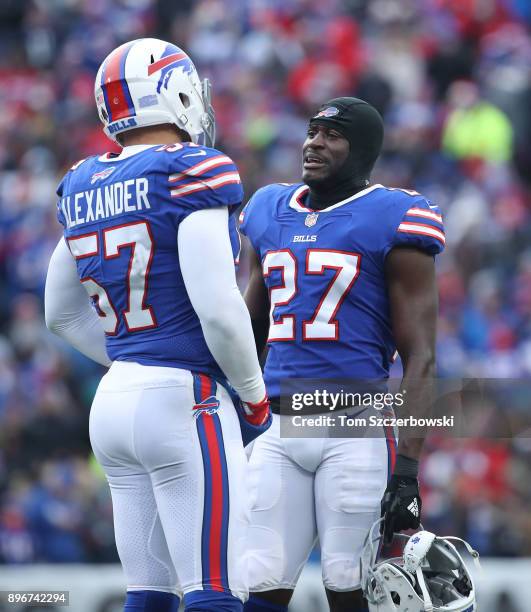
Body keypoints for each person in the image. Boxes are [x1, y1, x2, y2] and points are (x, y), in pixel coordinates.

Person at [44, 38, 270, 612]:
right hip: (185, 398)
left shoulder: (83, 181)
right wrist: (253, 396)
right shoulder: (192, 169)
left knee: (147, 596)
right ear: (175, 92)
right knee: (215, 592)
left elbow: (60, 312)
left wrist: (134, 354)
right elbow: (219, 307)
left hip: (114, 401)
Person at [239, 97, 445, 612]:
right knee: (257, 586)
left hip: (353, 428)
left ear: (362, 150)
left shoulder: (394, 215)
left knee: (349, 587)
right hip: (277, 429)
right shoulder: (268, 207)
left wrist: (408, 471)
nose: (313, 143)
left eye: (332, 135)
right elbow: (246, 326)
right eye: (311, 131)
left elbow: (420, 356)